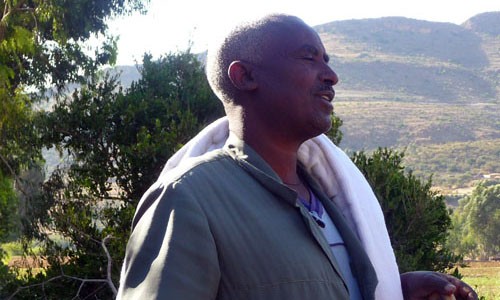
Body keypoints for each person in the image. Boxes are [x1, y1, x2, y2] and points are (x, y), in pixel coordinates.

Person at [117, 14, 478, 300]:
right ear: (244, 76)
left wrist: (393, 291)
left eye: (328, 61)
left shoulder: (330, 196)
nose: (331, 76)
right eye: (309, 58)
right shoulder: (188, 199)